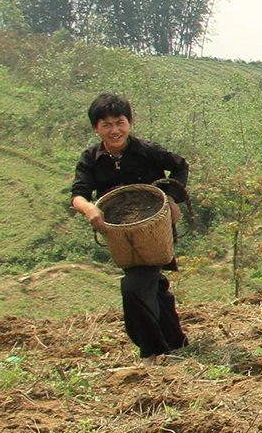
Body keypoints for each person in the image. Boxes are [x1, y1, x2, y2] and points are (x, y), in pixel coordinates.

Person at [70, 93, 189, 359]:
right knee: (152, 286)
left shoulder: (147, 151)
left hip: (154, 230)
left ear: (129, 122)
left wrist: (172, 197)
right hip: (121, 235)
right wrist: (89, 208)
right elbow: (77, 193)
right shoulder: (90, 158)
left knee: (133, 287)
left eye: (119, 122)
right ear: (96, 128)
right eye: (106, 125)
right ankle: (176, 343)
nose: (114, 130)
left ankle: (153, 350)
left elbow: (180, 166)